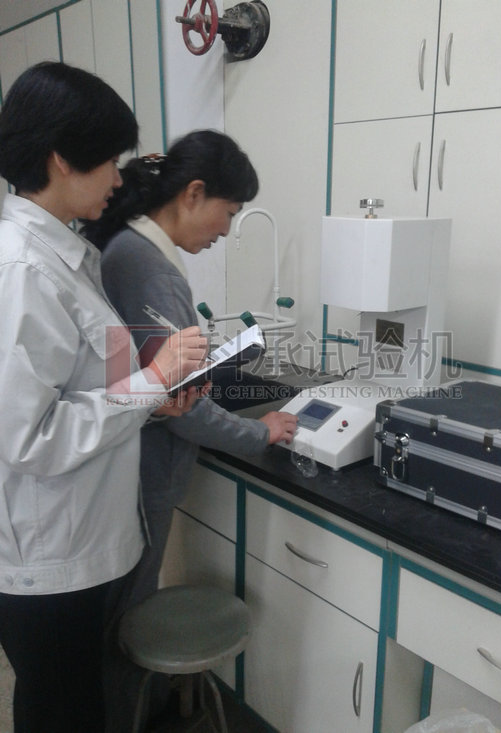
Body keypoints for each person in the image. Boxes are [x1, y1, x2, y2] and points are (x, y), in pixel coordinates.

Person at [0, 62, 208, 733]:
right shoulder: (23, 271)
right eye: (110, 161)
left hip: (79, 542)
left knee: (74, 703)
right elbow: (28, 438)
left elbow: (87, 386)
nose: (120, 179)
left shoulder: (69, 256)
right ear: (61, 159)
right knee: (61, 712)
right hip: (49, 558)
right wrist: (152, 380)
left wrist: (153, 401)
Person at [81, 129, 298, 729]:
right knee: (128, 621)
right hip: (142, 472)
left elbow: (139, 375)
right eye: (229, 211)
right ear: (194, 193)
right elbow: (182, 406)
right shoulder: (147, 267)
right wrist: (260, 433)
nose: (227, 230)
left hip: (125, 463)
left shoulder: (127, 249)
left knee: (119, 615)